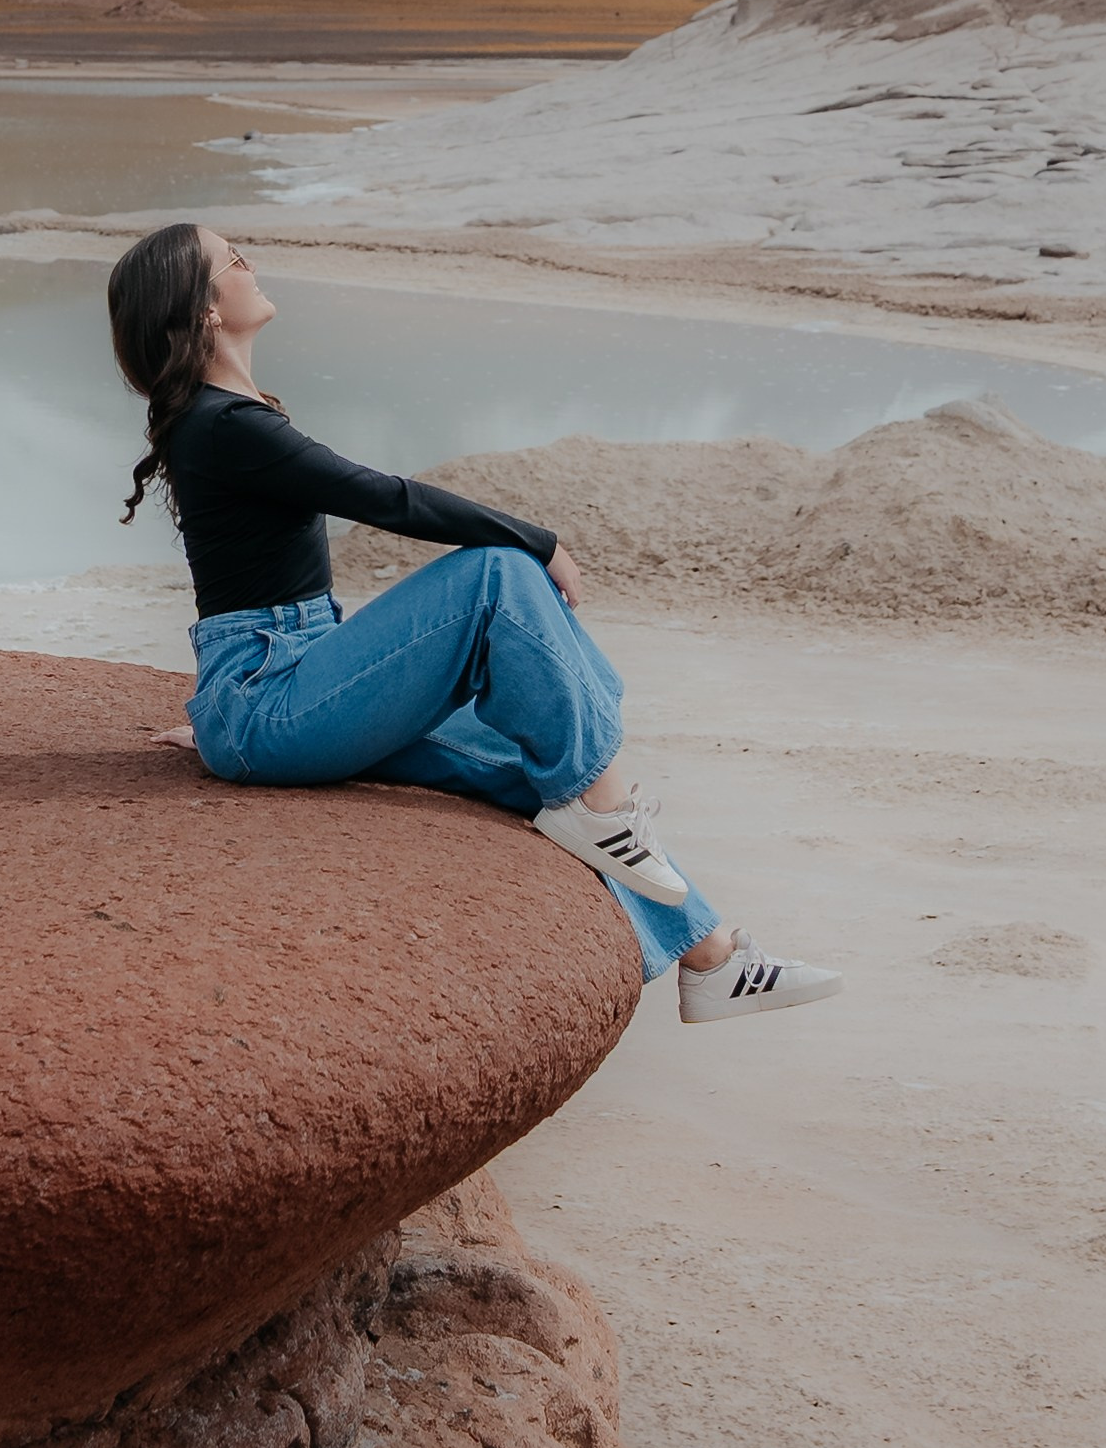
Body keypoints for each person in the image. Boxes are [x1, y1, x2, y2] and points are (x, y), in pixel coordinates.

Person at [107, 222, 842, 1023]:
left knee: (536, 763)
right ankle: (607, 813)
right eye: (234, 261)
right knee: (496, 572)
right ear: (207, 309)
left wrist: (230, 721)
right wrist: (540, 540)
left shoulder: (227, 417)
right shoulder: (224, 424)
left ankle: (708, 959)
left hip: (288, 686)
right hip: (271, 695)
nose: (252, 266)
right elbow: (385, 497)